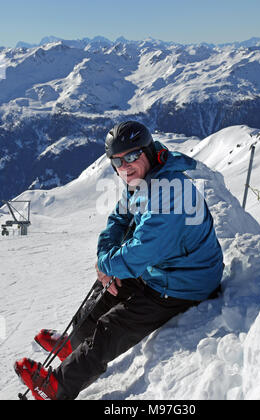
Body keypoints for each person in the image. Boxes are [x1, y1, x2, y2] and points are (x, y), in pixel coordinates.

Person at [15, 121, 224, 400]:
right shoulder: (143, 177)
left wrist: (107, 264)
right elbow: (119, 219)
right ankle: (73, 346)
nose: (125, 166)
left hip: (185, 282)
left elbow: (140, 253)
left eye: (131, 155)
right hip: (163, 267)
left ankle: (58, 388)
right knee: (106, 290)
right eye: (117, 160)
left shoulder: (171, 193)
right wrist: (106, 258)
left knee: (113, 325)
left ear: (148, 151)